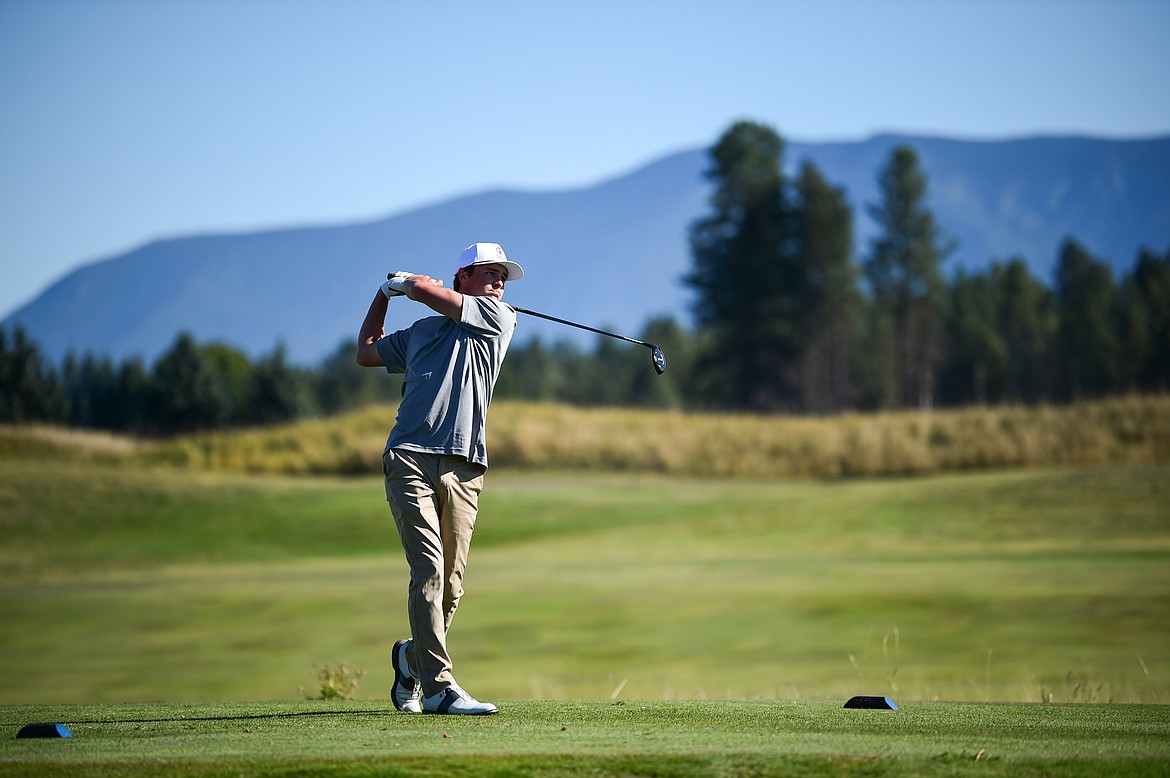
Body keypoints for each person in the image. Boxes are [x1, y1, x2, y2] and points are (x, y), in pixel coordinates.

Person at [355, 242, 524, 716]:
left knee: (451, 584)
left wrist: (410, 284)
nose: (498, 283)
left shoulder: (500, 320)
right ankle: (439, 689)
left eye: (502, 277)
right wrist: (382, 296)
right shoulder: (423, 331)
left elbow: (431, 294)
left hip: (466, 466)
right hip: (408, 457)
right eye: (489, 274)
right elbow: (366, 354)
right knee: (428, 570)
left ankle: (411, 657)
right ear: (463, 277)